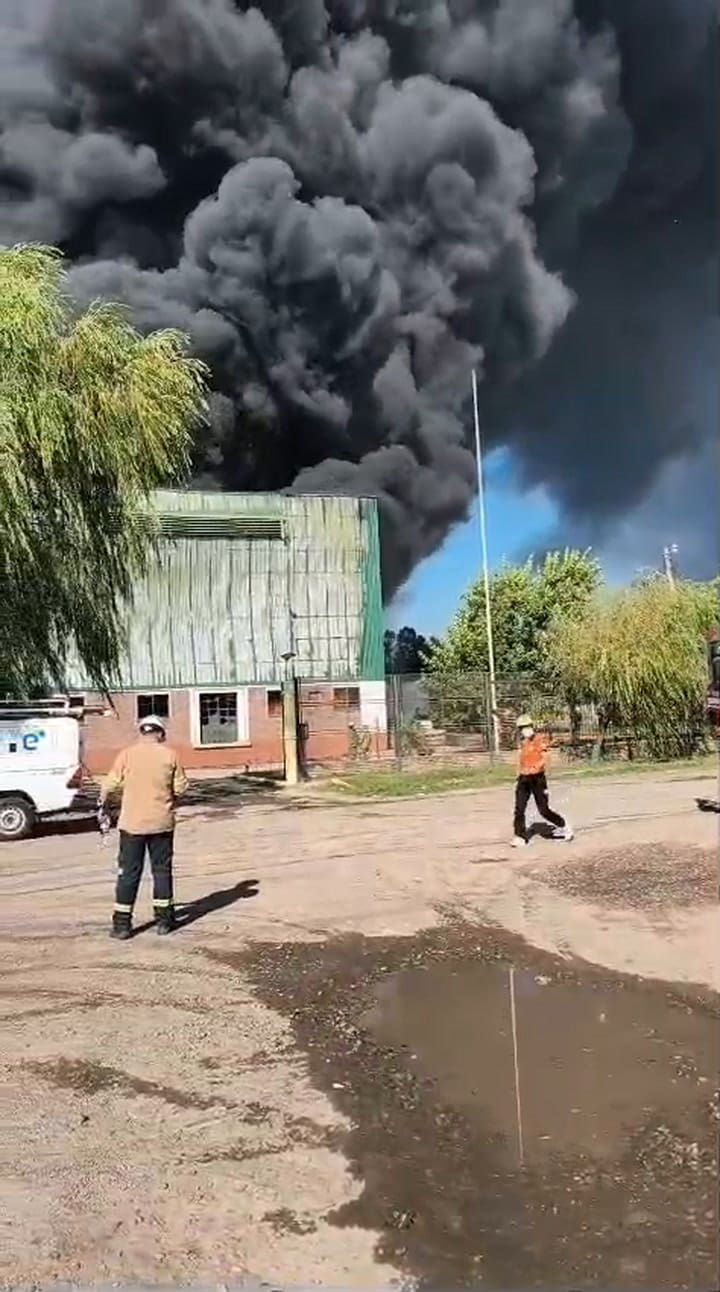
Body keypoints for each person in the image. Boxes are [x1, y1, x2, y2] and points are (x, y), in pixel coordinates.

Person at [100, 714, 188, 939]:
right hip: (161, 823)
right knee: (161, 871)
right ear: (160, 733)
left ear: (141, 732)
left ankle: (122, 925)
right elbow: (180, 788)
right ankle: (164, 921)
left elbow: (110, 784)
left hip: (132, 824)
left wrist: (104, 803)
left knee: (128, 873)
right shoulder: (170, 755)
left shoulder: (127, 755)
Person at [512, 713, 572, 848]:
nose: (525, 730)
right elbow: (520, 760)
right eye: (522, 728)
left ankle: (563, 825)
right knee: (519, 809)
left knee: (543, 810)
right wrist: (519, 772)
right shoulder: (522, 743)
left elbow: (545, 758)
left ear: (531, 727)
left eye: (527, 727)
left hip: (537, 779)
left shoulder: (539, 740)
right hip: (524, 779)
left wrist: (536, 767)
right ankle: (520, 836)